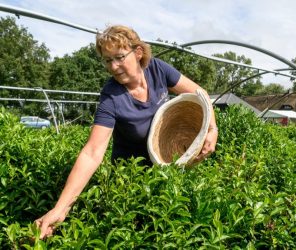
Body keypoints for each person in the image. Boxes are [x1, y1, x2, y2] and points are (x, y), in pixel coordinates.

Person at [35, 25, 218, 239]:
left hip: (167, 169)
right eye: (107, 60)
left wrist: (212, 129)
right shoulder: (111, 97)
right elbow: (92, 152)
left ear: (138, 53)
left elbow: (200, 93)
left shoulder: (158, 69)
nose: (113, 66)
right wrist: (61, 208)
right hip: (131, 178)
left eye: (119, 57)